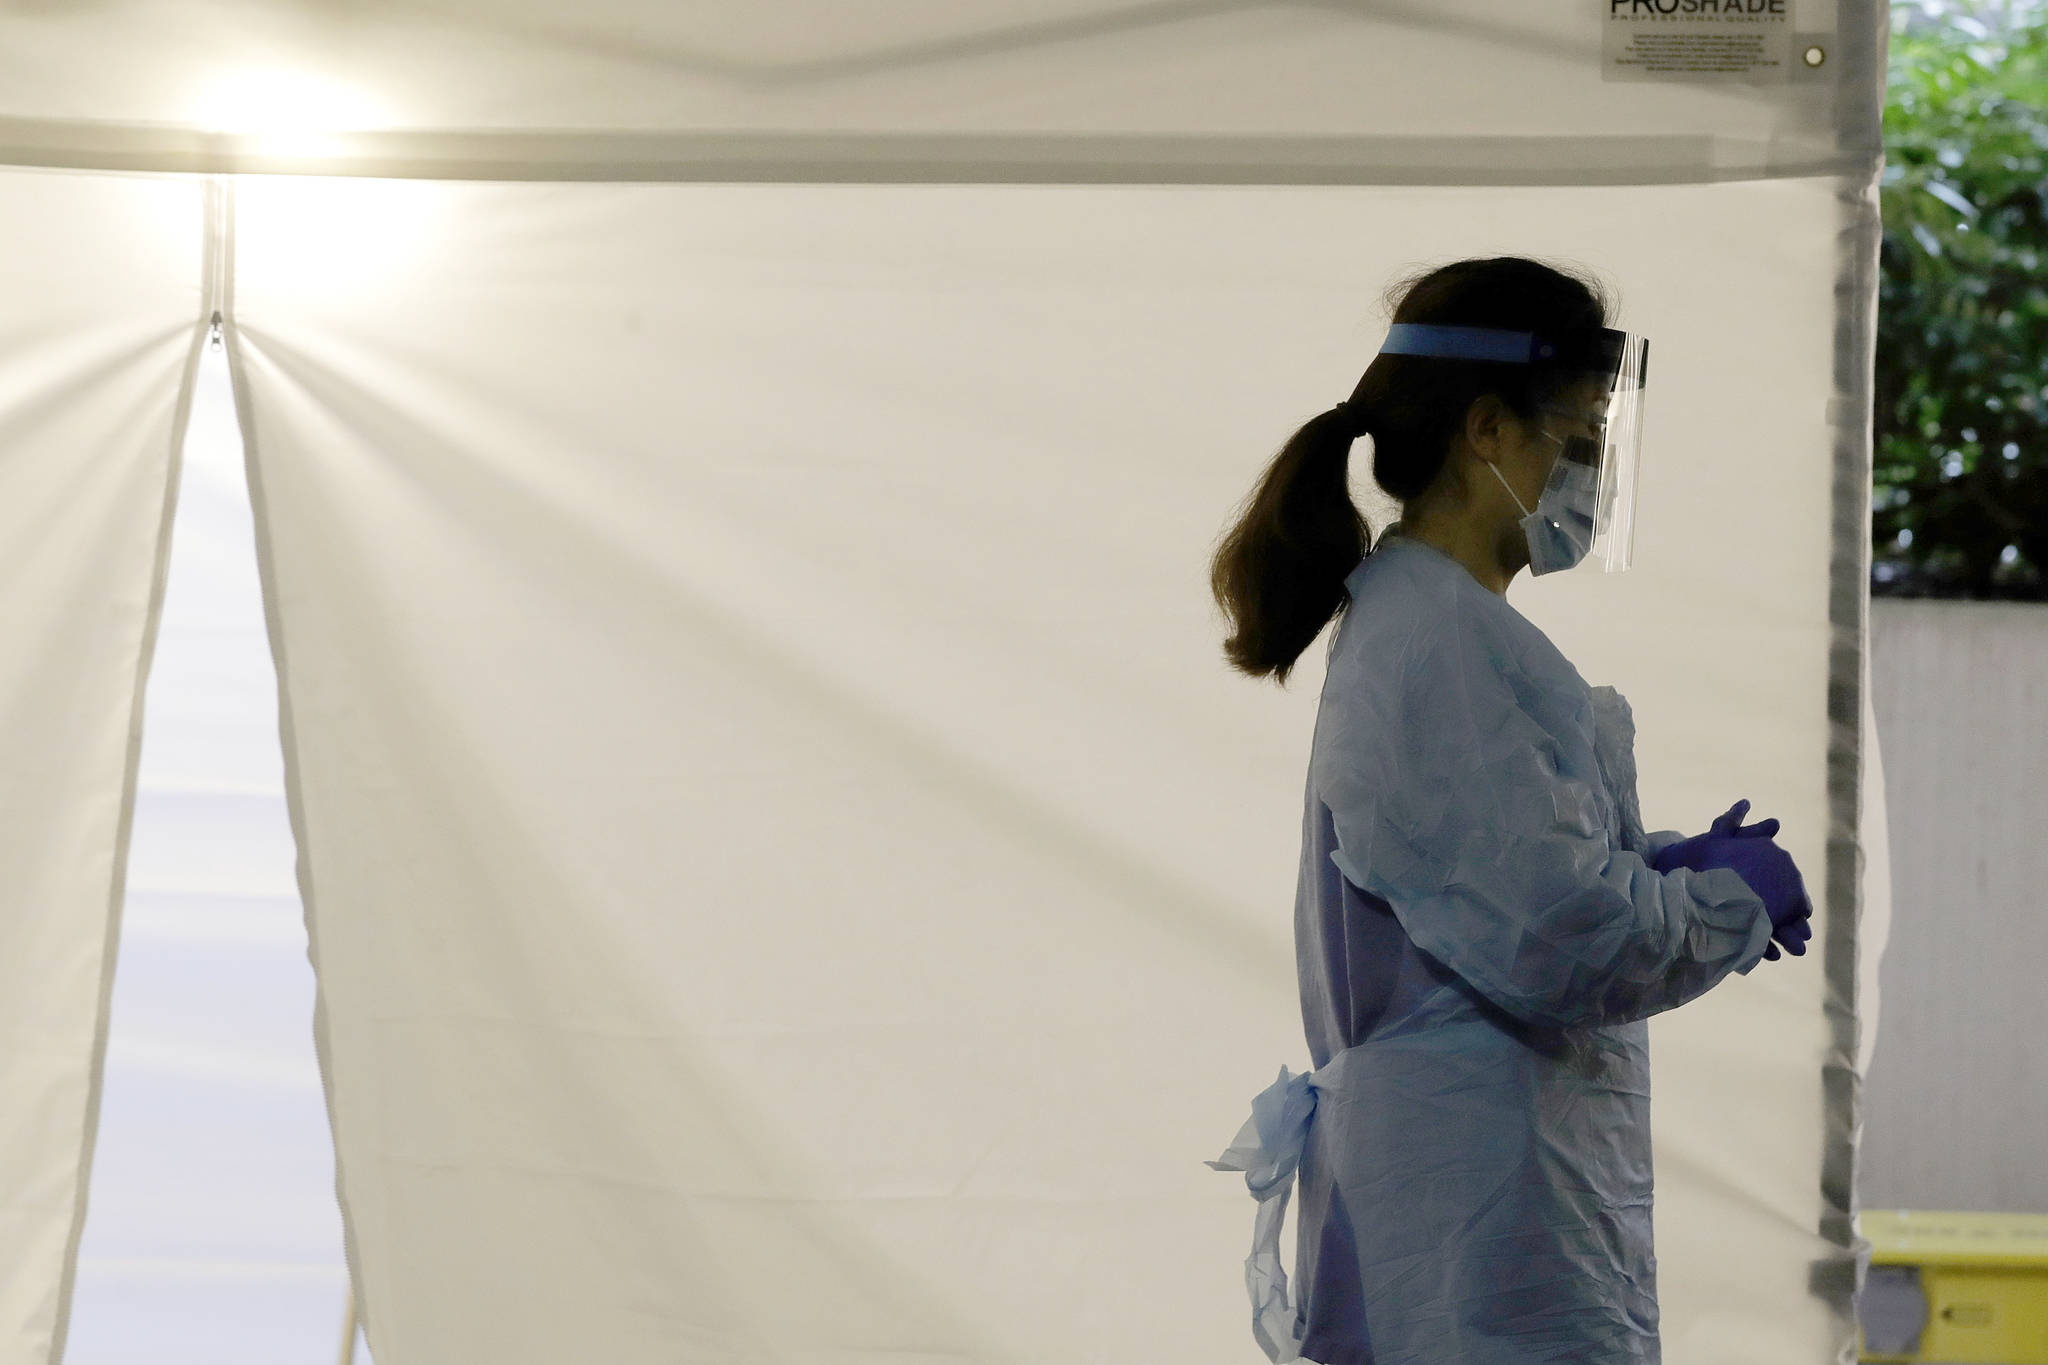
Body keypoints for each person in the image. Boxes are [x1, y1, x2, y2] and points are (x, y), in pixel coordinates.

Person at [1202, 257, 1814, 1365]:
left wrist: (1663, 868)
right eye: (1575, 439)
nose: (1591, 473)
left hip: (1477, 1197)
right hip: (1476, 1220)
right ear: (1486, 428)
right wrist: (1722, 905)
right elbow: (1555, 937)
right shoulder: (1437, 647)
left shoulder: (1439, 633)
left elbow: (1494, 882)